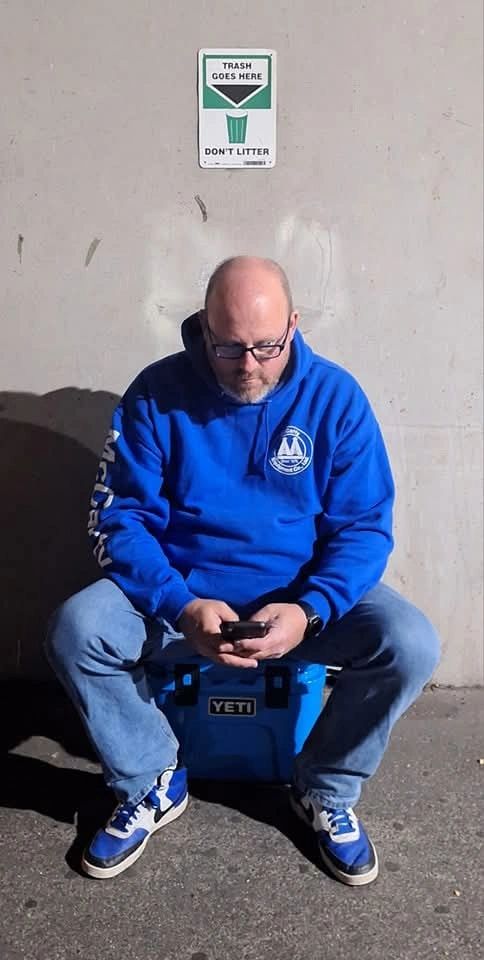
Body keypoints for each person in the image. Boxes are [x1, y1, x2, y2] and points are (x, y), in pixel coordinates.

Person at [45, 256, 440, 885]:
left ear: (293, 325)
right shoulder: (155, 394)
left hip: (297, 600)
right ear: (204, 327)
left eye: (266, 346)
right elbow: (121, 520)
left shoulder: (335, 398)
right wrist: (179, 605)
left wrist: (311, 609)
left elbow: (366, 528)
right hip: (181, 597)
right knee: (77, 630)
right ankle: (150, 779)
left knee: (410, 643)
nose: (248, 365)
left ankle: (325, 787)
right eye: (228, 346)